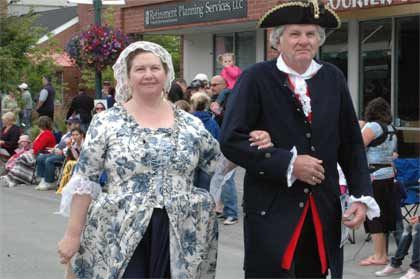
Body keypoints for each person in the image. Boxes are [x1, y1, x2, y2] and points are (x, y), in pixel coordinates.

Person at [219, 1, 379, 278]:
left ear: (319, 40)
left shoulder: (333, 77)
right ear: (278, 40)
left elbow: (351, 144)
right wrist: (288, 163)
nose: (303, 41)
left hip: (323, 209)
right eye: (295, 34)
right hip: (272, 210)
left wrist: (361, 196)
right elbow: (231, 139)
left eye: (310, 34)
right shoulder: (256, 77)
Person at [57, 41, 221, 278]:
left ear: (166, 75)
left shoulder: (191, 124)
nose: (148, 75)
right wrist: (72, 234)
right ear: (128, 76)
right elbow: (85, 180)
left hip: (181, 232)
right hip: (119, 229)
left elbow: (218, 165)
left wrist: (260, 139)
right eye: (140, 69)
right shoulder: (107, 122)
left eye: (155, 68)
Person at [359, 97, 398, 266]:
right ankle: (383, 254)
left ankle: (379, 256)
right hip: (388, 175)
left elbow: (357, 146)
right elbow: (393, 153)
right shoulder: (391, 128)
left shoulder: (373, 126)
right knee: (383, 215)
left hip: (374, 175)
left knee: (373, 216)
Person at [0, 116, 56, 187]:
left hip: (42, 153)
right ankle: (13, 178)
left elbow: (38, 147)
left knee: (22, 157)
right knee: (19, 157)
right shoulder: (44, 133)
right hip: (38, 153)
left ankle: (16, 178)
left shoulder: (46, 134)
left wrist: (32, 148)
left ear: (40, 124)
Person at [35, 116, 80, 191]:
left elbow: (73, 147)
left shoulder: (76, 135)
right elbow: (59, 144)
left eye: (70, 123)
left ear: (77, 125)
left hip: (66, 155)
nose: (67, 125)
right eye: (67, 123)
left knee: (49, 160)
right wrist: (54, 148)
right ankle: (43, 179)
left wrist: (61, 151)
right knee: (41, 157)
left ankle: (49, 181)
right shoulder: (66, 134)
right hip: (57, 152)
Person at [56, 127, 85, 193]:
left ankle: (75, 185)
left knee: (73, 164)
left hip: (86, 162)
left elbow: (80, 158)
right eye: (73, 135)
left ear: (82, 135)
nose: (75, 137)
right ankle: (67, 185)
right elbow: (76, 157)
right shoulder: (73, 143)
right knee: (70, 163)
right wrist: (71, 148)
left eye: (77, 135)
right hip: (78, 160)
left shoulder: (85, 144)